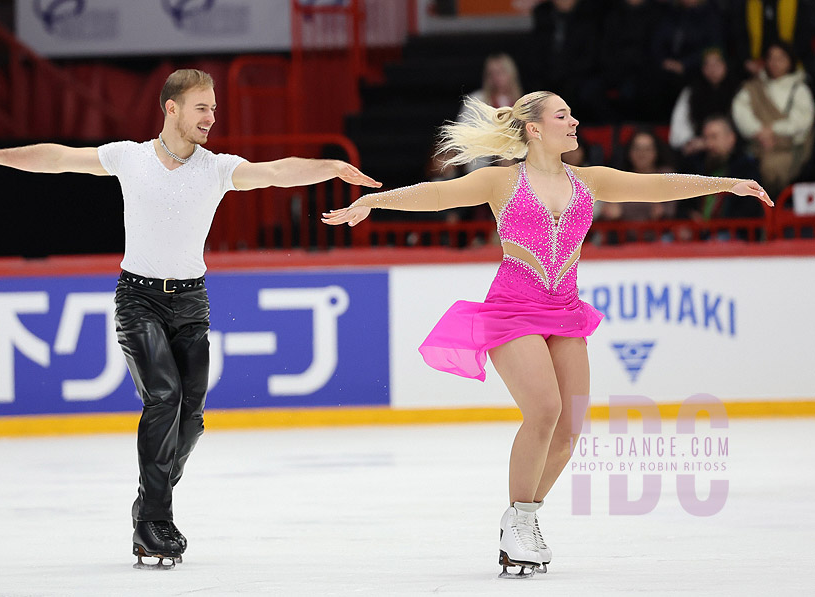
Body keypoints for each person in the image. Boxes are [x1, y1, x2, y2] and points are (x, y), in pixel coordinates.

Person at [322, 91, 771, 579]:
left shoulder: (587, 181)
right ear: (535, 129)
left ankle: (521, 519)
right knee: (545, 410)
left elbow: (656, 185)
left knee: (569, 429)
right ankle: (520, 522)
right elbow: (436, 195)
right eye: (564, 115)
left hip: (564, 312)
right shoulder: (501, 180)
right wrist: (375, 201)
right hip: (513, 311)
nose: (576, 121)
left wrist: (726, 182)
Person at [0, 69, 379, 569]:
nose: (211, 117)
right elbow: (59, 159)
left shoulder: (217, 169)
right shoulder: (129, 158)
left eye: (213, 108)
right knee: (164, 397)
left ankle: (148, 502)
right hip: (139, 301)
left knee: (190, 420)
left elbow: (276, 171)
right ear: (171, 108)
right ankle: (155, 521)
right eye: (202, 108)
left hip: (192, 304)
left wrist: (330, 167)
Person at [732, 40, 815, 196]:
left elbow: (803, 120)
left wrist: (773, 131)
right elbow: (740, 110)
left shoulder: (799, 87)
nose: (775, 63)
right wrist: (759, 132)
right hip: (758, 145)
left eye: (781, 58)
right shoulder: (755, 86)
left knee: (771, 168)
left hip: (789, 148)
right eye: (771, 58)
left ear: (790, 61)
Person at [458, 53, 524, 174]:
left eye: (500, 72)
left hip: (519, 156)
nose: (495, 77)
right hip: (485, 159)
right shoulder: (476, 101)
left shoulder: (523, 102)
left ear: (511, 73)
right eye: (491, 73)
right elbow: (464, 134)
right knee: (504, 155)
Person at [669, 48, 741, 155]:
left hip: (734, 147)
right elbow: (679, 127)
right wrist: (693, 141)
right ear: (702, 69)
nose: (712, 69)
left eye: (717, 64)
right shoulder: (691, 92)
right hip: (699, 147)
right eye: (708, 65)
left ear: (725, 65)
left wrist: (720, 141)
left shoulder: (739, 91)